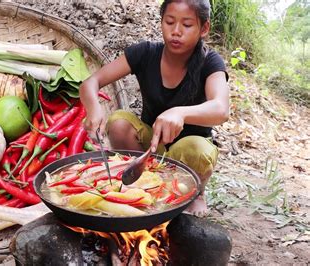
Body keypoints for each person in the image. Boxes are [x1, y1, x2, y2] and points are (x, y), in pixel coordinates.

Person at [79, 0, 229, 216]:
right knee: (119, 122)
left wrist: (180, 113)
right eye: (169, 22)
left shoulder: (210, 61)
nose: (176, 31)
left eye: (186, 25)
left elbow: (221, 109)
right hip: (152, 147)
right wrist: (93, 107)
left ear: (203, 28)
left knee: (196, 148)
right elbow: (90, 83)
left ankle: (197, 192)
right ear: (161, 22)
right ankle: (140, 183)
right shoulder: (146, 53)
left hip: (187, 154)